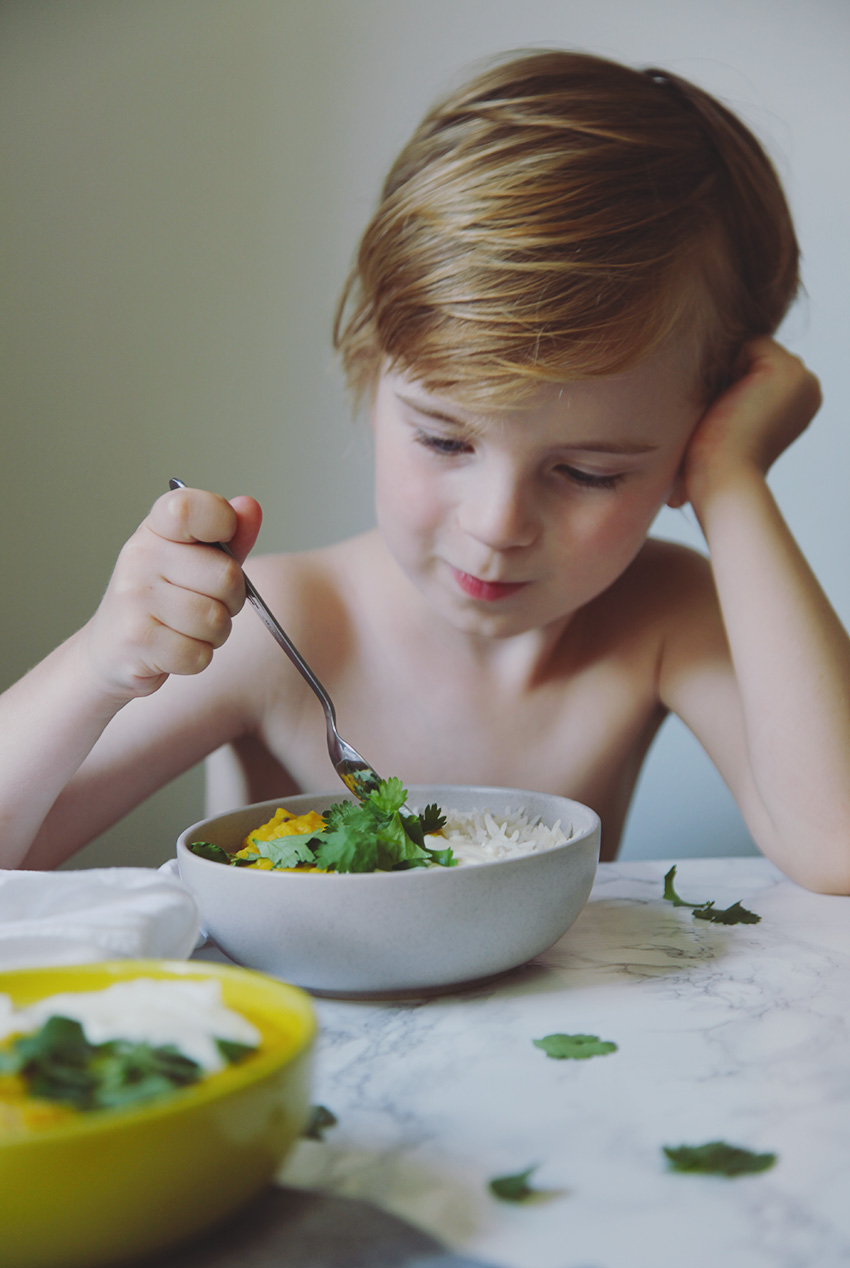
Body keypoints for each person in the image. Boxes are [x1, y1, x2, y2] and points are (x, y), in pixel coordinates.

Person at [1, 50, 848, 890]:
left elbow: (835, 843)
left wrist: (731, 480)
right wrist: (100, 665)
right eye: (446, 442)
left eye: (588, 472)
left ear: (688, 443)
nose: (496, 524)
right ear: (370, 373)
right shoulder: (281, 628)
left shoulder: (664, 615)